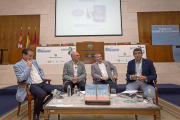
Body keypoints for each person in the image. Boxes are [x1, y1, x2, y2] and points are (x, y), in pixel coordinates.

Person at [13, 48, 58, 120]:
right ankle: (36, 113)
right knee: (42, 94)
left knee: (57, 92)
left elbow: (40, 70)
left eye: (32, 56)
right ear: (24, 55)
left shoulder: (34, 61)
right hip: (31, 85)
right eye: (30, 56)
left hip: (41, 82)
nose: (31, 58)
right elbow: (21, 79)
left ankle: (41, 106)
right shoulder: (17, 65)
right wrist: (28, 67)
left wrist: (42, 77)